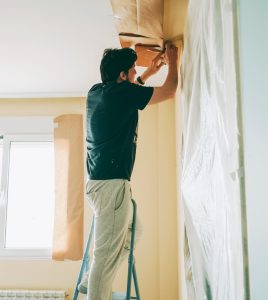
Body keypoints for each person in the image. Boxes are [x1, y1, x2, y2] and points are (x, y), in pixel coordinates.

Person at [81, 43, 178, 300]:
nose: (137, 73)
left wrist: (148, 73)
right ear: (123, 76)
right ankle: (97, 282)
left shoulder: (96, 92)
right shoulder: (121, 94)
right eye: (133, 71)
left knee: (134, 233)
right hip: (112, 186)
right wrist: (173, 60)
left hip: (100, 184)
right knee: (105, 256)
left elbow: (129, 90)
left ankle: (92, 279)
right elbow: (169, 91)